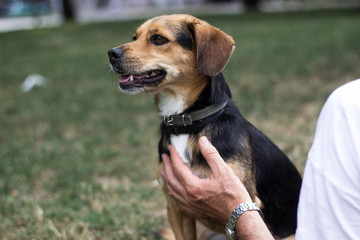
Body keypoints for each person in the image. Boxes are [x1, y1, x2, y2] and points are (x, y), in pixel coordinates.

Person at [160, 79, 360, 240]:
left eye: (158, 40)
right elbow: (176, 207)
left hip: (283, 232)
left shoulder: (346, 106)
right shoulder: (347, 104)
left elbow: (244, 206)